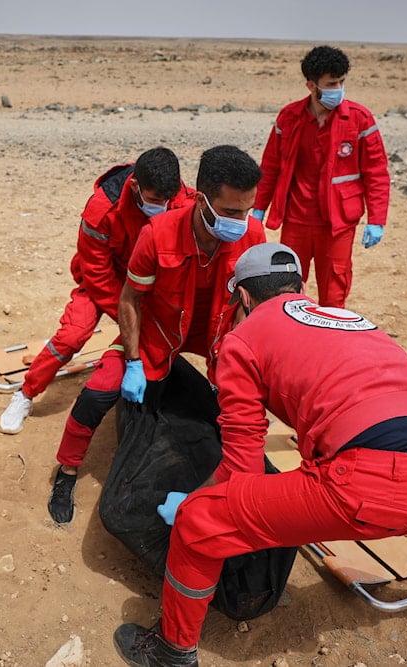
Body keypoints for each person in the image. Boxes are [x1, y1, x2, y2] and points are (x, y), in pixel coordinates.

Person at [112, 242, 407, 666]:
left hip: (364, 487)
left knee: (199, 521)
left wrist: (198, 499)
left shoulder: (245, 337)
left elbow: (241, 466)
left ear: (243, 297)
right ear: (298, 287)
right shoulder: (353, 320)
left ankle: (171, 650)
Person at [47, 145, 266, 524]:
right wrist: (132, 361)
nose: (241, 221)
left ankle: (226, 491)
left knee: (238, 414)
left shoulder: (253, 235)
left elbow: (249, 307)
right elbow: (130, 300)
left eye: (247, 210)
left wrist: (239, 364)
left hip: (217, 337)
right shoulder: (158, 234)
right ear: (201, 200)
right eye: (232, 211)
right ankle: (66, 472)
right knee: (98, 393)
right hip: (157, 331)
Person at [0, 147, 194, 435]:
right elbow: (95, 270)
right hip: (104, 282)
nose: (162, 207)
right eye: (155, 201)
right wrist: (128, 314)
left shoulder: (180, 198)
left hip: (151, 279)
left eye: (167, 200)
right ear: (136, 187)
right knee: (72, 335)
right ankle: (25, 394)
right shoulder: (103, 208)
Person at [252, 45, 389, 309]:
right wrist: (258, 208)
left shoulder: (359, 119)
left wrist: (377, 220)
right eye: (331, 83)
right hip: (296, 219)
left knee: (334, 292)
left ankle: (330, 343)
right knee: (287, 288)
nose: (338, 89)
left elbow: (376, 174)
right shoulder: (289, 117)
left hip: (338, 222)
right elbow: (270, 167)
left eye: (341, 82)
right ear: (311, 85)